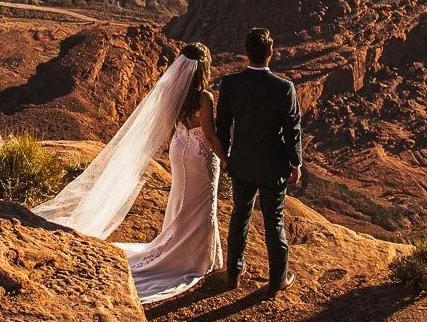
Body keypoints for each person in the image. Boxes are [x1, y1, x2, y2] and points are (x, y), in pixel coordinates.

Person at [33, 43, 225, 305]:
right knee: (203, 205)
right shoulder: (205, 97)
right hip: (199, 153)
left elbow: (169, 125)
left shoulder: (174, 90)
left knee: (181, 199)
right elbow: (210, 135)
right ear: (204, 67)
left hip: (179, 148)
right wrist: (227, 159)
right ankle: (196, 258)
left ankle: (175, 244)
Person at [214, 26, 302, 296]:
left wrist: (226, 157)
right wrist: (295, 162)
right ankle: (277, 280)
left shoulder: (230, 84)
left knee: (240, 215)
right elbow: (292, 129)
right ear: (271, 54)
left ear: (246, 53)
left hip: (241, 163)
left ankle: (234, 272)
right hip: (273, 166)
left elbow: (222, 125)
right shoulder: (284, 88)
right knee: (273, 220)